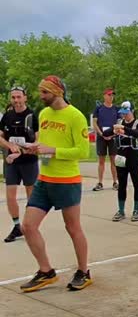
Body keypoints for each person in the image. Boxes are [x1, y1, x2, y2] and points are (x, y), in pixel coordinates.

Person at [19, 75, 92, 292]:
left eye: (45, 93)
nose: (40, 96)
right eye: (40, 92)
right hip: (44, 179)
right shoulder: (43, 114)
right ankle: (46, 271)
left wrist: (53, 151)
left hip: (67, 181)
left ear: (57, 92)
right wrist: (34, 147)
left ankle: (83, 271)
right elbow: (45, 143)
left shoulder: (75, 116)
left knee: (73, 228)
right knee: (28, 226)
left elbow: (83, 151)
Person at [0, 86, 39, 243]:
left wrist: (23, 150)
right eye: (13, 97)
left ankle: (30, 225)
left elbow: (38, 141)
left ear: (25, 98)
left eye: (18, 97)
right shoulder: (7, 116)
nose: (16, 100)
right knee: (10, 195)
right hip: (12, 162)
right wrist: (9, 146)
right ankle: (17, 226)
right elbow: (0, 137)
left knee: (32, 195)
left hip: (28, 161)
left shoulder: (32, 116)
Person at [111, 101, 138, 222]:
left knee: (137, 183)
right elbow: (107, 133)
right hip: (121, 157)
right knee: (122, 184)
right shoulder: (119, 123)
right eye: (123, 113)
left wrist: (124, 129)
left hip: (134, 157)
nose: (124, 116)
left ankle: (136, 210)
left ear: (132, 111)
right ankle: (121, 210)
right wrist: (113, 131)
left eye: (127, 113)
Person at [92, 88, 119, 191]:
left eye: (112, 95)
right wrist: (101, 134)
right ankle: (100, 182)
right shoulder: (99, 109)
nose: (111, 97)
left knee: (113, 160)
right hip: (101, 137)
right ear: (104, 96)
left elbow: (119, 123)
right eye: (109, 95)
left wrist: (113, 134)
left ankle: (115, 182)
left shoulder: (116, 109)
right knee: (101, 160)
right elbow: (95, 123)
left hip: (112, 136)